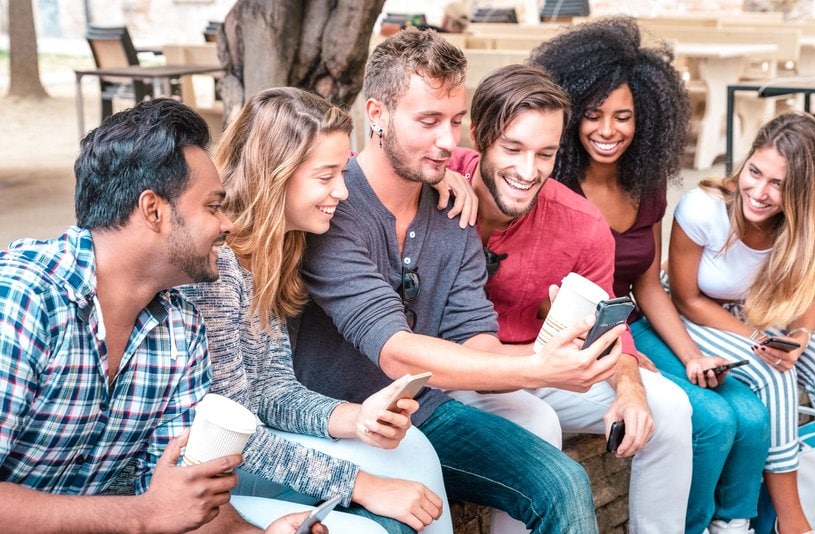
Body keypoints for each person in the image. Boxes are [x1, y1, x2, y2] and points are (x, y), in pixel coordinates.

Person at [290, 28, 623, 533]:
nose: (449, 142)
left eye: (455, 121)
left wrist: (555, 350)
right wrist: (544, 368)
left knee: (563, 481)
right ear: (376, 114)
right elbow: (395, 350)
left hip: (423, 413)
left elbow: (477, 338)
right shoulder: (332, 209)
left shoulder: (453, 208)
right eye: (428, 121)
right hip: (337, 423)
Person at [0, 98, 323, 534]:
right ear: (153, 210)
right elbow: (154, 512)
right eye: (213, 206)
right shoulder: (23, 301)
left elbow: (182, 498)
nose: (227, 224)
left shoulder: (180, 329)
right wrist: (142, 515)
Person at [529, 16, 770, 534]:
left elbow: (645, 283)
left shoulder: (645, 181)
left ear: (647, 119)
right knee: (710, 418)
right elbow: (546, 303)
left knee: (748, 414)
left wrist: (690, 355)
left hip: (633, 322)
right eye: (593, 115)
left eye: (624, 116)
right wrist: (629, 366)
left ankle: (734, 524)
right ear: (571, 115)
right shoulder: (547, 181)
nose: (608, 131)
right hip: (586, 336)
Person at [178, 87, 450, 533]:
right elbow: (233, 425)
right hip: (204, 476)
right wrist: (360, 484)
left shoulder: (277, 254)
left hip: (249, 455)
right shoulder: (217, 267)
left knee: (412, 449)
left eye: (342, 173)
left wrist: (358, 418)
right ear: (276, 174)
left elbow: (271, 390)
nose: (342, 192)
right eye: (326, 176)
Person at [446, 63, 694, 534]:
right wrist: (438, 178)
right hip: (459, 373)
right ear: (478, 137)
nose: (527, 170)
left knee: (670, 407)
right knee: (534, 421)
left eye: (545, 154)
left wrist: (631, 388)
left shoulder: (581, 223)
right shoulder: (435, 180)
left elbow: (608, 329)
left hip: (545, 366)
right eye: (513, 148)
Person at [668, 111, 815, 534]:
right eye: (755, 172)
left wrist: (801, 337)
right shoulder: (704, 208)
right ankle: (792, 522)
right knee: (774, 375)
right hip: (698, 314)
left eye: (779, 184)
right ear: (747, 160)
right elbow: (685, 297)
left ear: (803, 191)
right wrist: (756, 339)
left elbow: (809, 300)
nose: (759, 191)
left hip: (762, 317)